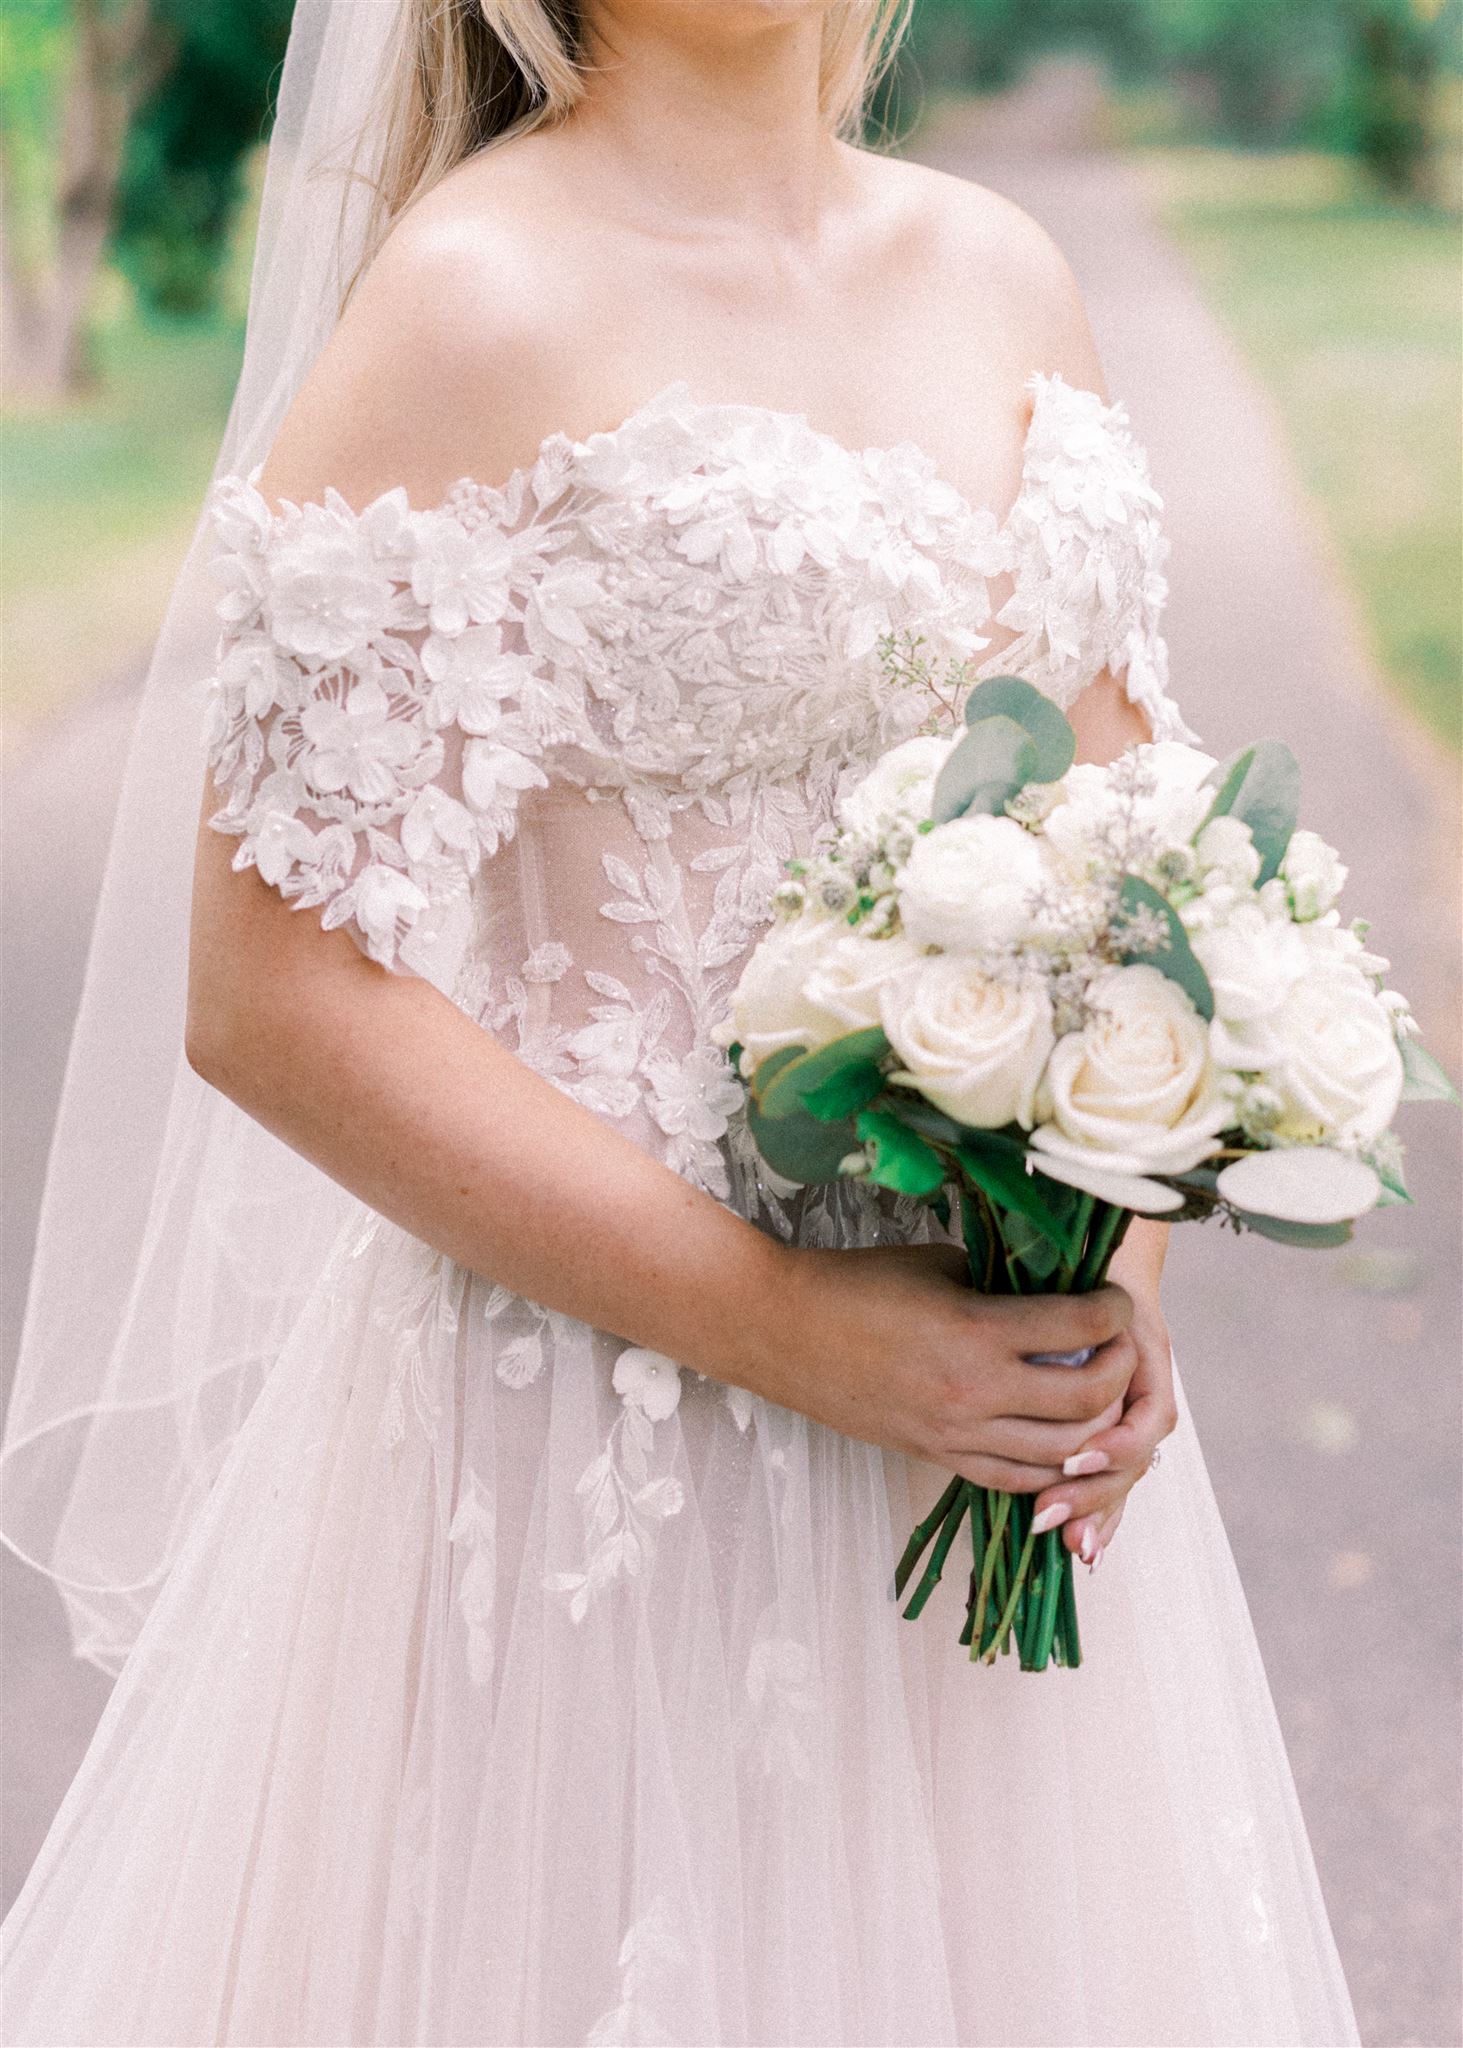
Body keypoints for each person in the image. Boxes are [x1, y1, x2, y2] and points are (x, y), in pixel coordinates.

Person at [0, 0, 1359, 2042]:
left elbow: (1128, 866)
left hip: (986, 1441)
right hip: (605, 1467)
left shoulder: (1006, 273)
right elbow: (271, 994)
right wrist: (800, 1332)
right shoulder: (471, 300)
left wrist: (1108, 1266)